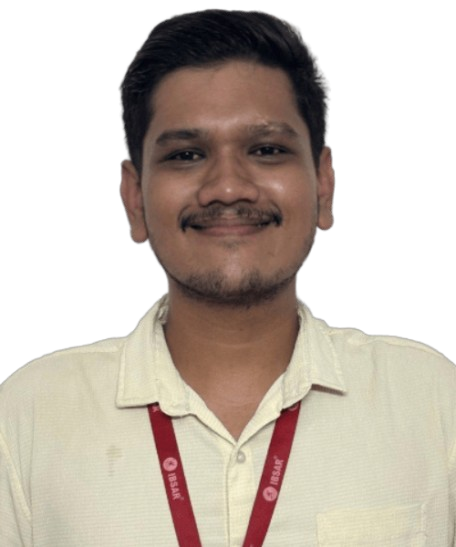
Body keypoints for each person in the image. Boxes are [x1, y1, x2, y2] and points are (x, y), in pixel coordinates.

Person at [1, 9, 454, 546]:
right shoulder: (28, 418)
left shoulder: (432, 403)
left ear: (323, 185)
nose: (228, 187)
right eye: (187, 155)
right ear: (135, 198)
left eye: (266, 150)